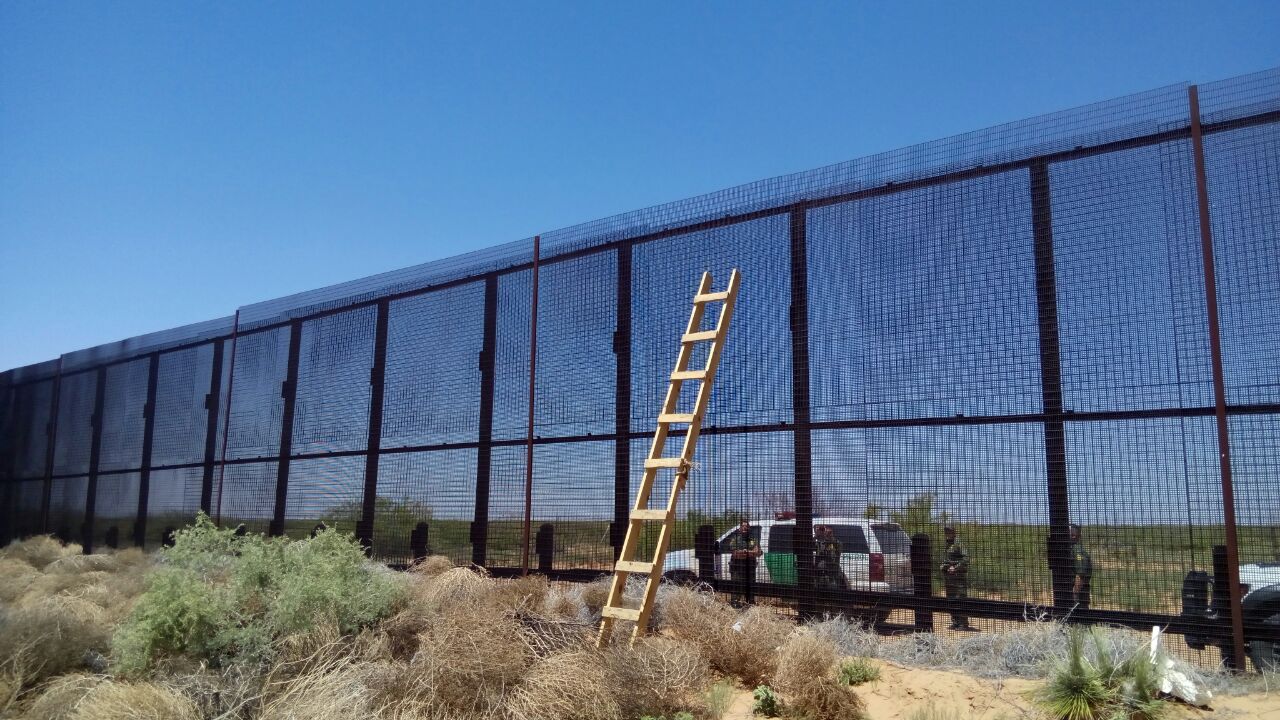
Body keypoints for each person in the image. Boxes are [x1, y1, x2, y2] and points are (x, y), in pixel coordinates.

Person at [940, 524, 974, 630]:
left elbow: (966, 558)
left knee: (960, 598)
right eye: (946, 531)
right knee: (951, 599)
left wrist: (955, 567)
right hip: (949, 577)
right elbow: (945, 559)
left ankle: (963, 623)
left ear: (954, 532)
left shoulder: (959, 543)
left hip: (958, 576)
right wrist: (945, 567)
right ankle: (955, 622)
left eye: (949, 531)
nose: (947, 533)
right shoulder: (947, 544)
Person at [727, 519, 762, 607]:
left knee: (750, 588)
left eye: (747, 526)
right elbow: (735, 554)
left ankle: (750, 605)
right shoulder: (735, 539)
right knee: (736, 587)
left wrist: (745, 552)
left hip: (750, 568)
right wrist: (750, 553)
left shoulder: (753, 539)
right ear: (740, 528)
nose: (745, 528)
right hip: (737, 569)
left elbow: (758, 552)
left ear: (749, 528)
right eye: (743, 526)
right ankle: (735, 605)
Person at [814, 524, 846, 591]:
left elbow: (838, 549)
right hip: (820, 572)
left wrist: (830, 539)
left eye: (826, 531)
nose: (824, 533)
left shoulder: (834, 543)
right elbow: (808, 546)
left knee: (834, 588)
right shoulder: (819, 543)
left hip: (832, 572)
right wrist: (815, 537)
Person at [1070, 523, 1092, 609]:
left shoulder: (1078, 551)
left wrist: (1075, 596)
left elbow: (1080, 576)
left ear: (1074, 536)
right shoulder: (1071, 549)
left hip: (1079, 598)